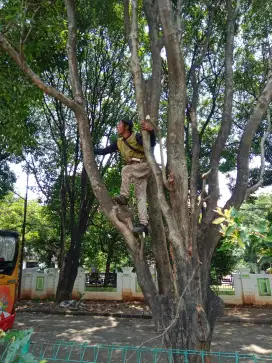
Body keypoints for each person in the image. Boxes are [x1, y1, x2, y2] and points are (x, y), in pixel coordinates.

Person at [94, 117, 156, 234]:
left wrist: (151, 131)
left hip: (144, 165)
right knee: (140, 197)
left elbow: (151, 144)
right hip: (136, 170)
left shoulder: (136, 137)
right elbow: (104, 151)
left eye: (119, 124)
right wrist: (90, 149)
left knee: (126, 170)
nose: (118, 127)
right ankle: (144, 225)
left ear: (126, 127)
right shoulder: (119, 142)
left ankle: (124, 196)